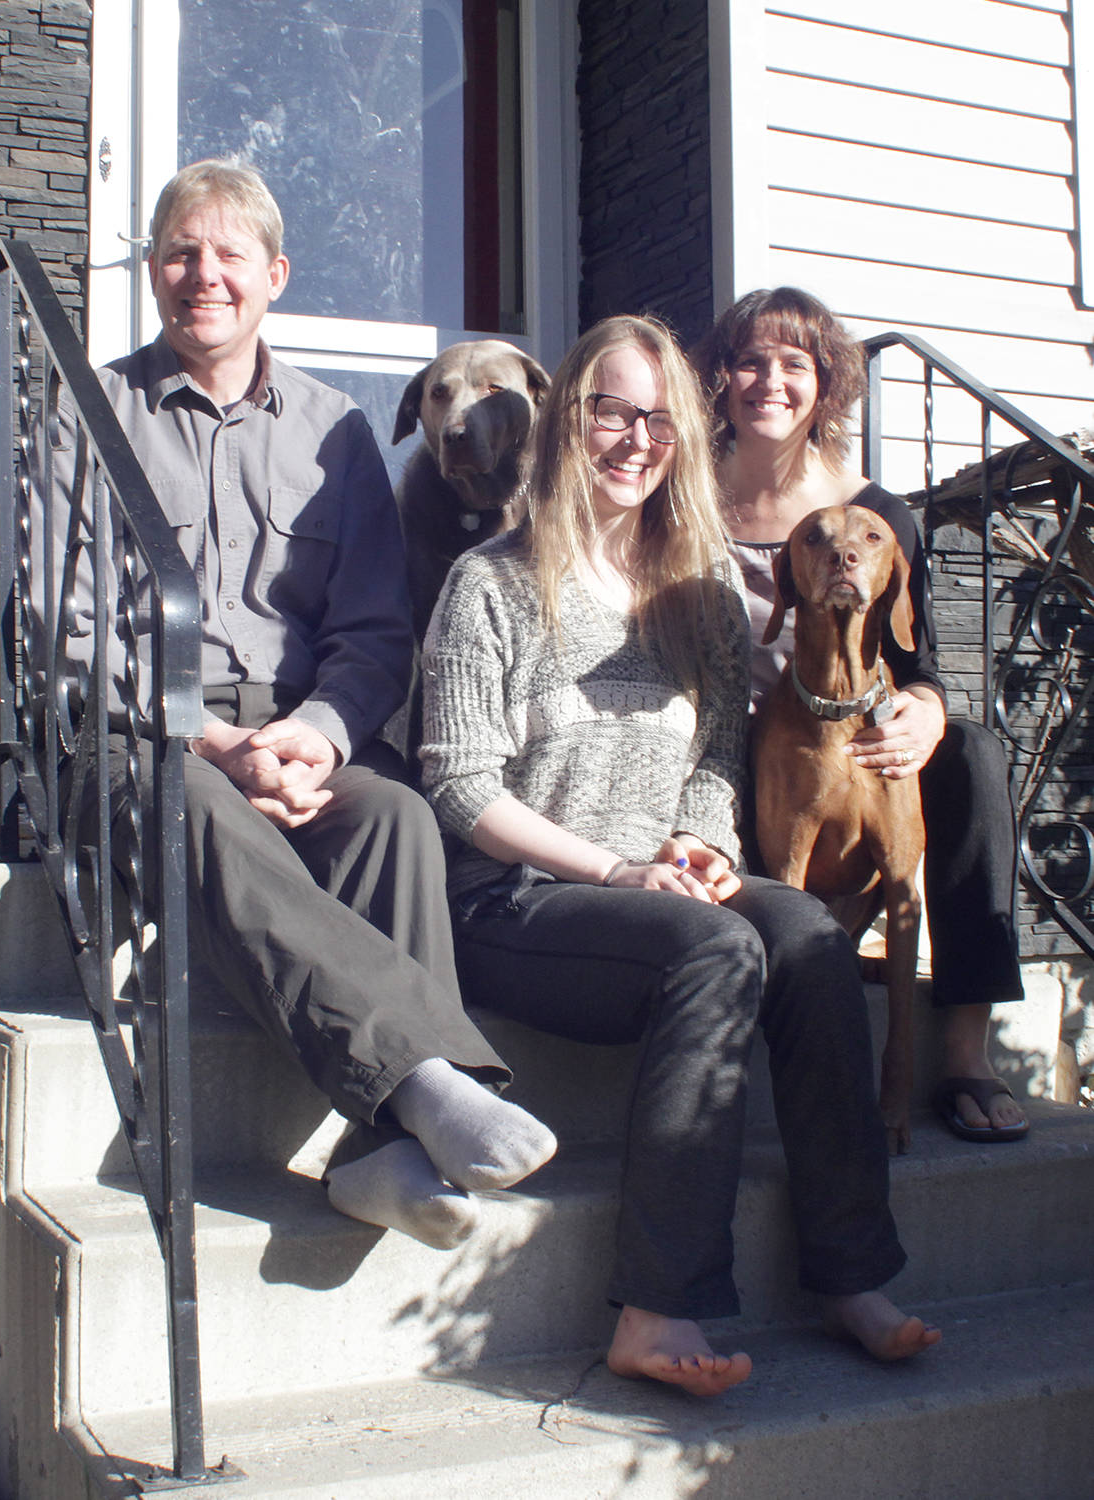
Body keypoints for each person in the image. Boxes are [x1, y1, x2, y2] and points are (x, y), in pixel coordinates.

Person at [420, 313, 940, 1396]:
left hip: (661, 882)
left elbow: (715, 750)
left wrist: (701, 841)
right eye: (612, 410)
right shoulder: (490, 582)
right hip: (520, 902)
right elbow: (461, 785)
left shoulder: (695, 589)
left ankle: (850, 1269)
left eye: (658, 419)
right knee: (717, 951)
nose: (635, 438)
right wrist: (614, 870)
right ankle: (657, 1310)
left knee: (800, 933)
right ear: (569, 419)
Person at [50, 159, 556, 1250]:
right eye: (182, 252)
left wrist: (318, 737)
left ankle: (377, 1161)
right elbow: (66, 637)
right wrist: (221, 740)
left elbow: (376, 633)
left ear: (274, 275)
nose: (205, 275)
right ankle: (423, 1085)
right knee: (200, 806)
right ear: (152, 271)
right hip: (150, 733)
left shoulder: (337, 430)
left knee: (399, 815)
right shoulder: (89, 412)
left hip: (298, 725)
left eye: (230, 254)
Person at [698, 286, 1029, 1144]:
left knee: (973, 756)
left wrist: (922, 709)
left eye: (793, 365)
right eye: (749, 361)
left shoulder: (874, 514)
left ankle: (963, 1053)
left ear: (824, 384)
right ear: (720, 379)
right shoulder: (682, 494)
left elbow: (914, 659)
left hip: (842, 731)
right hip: (716, 738)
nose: (769, 381)